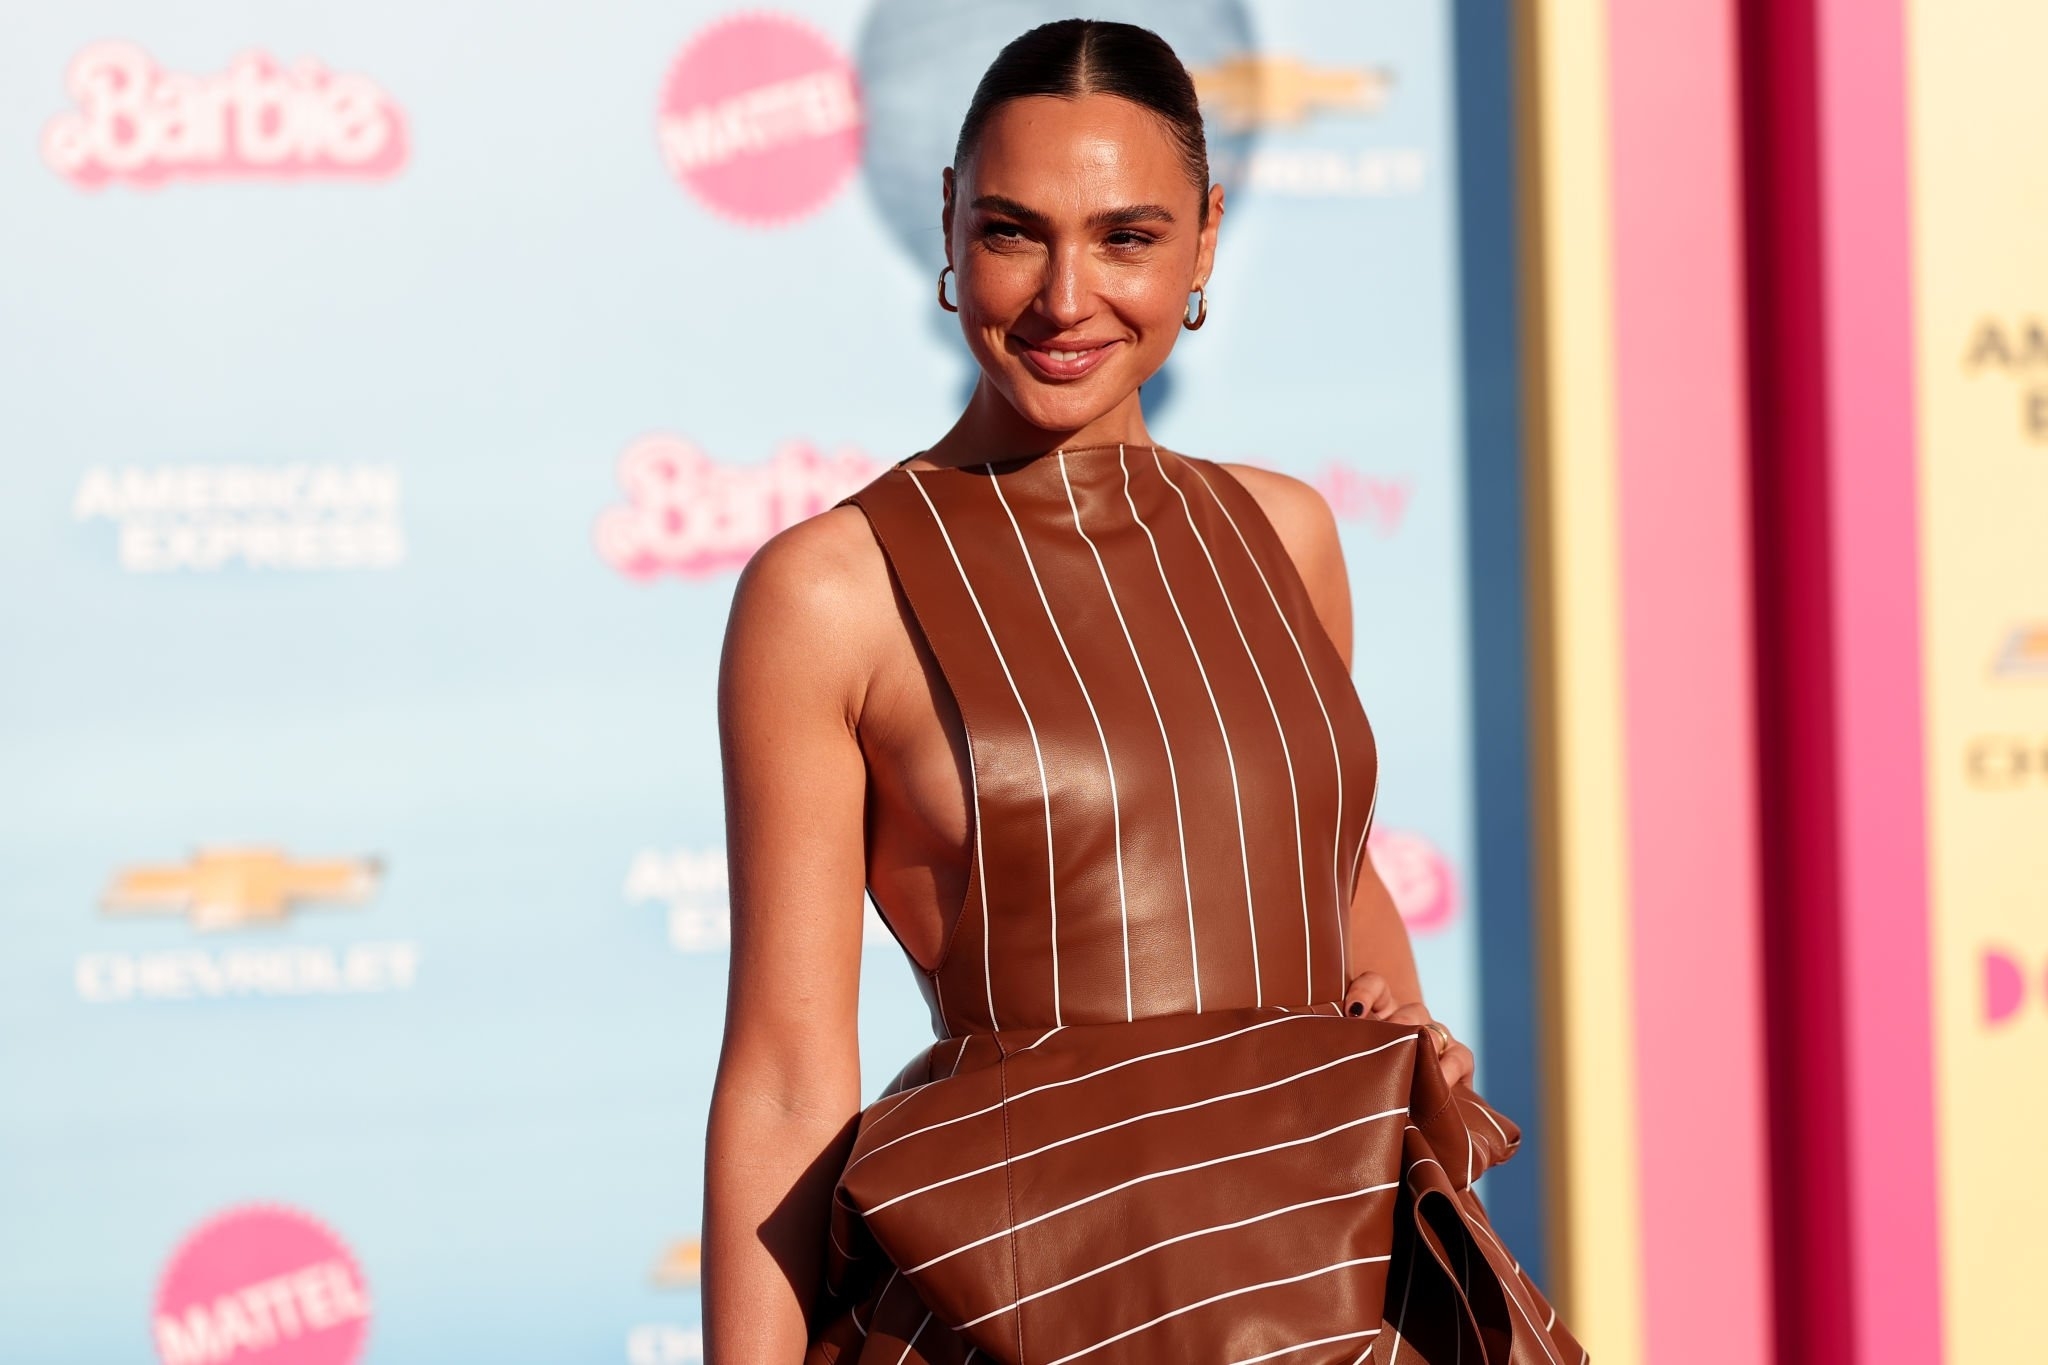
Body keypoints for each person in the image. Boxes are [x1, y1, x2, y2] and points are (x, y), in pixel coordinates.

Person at [704, 19, 1580, 1364]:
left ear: (1207, 239)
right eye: (1013, 232)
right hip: (1024, 1312)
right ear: (948, 225)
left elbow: (1328, 880)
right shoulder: (830, 592)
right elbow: (783, 1078)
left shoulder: (1285, 535)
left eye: (1126, 237)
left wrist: (1406, 1039)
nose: (1067, 298)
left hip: (1335, 1302)